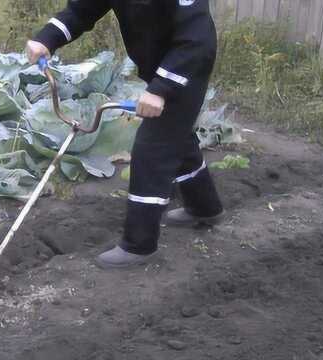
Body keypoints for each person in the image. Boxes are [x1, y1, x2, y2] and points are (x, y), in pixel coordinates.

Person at [26, 0, 225, 268]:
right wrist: (46, 40)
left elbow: (197, 41)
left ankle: (139, 245)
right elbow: (81, 10)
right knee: (177, 137)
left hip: (186, 71)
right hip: (156, 68)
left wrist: (161, 88)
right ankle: (205, 208)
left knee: (152, 149)